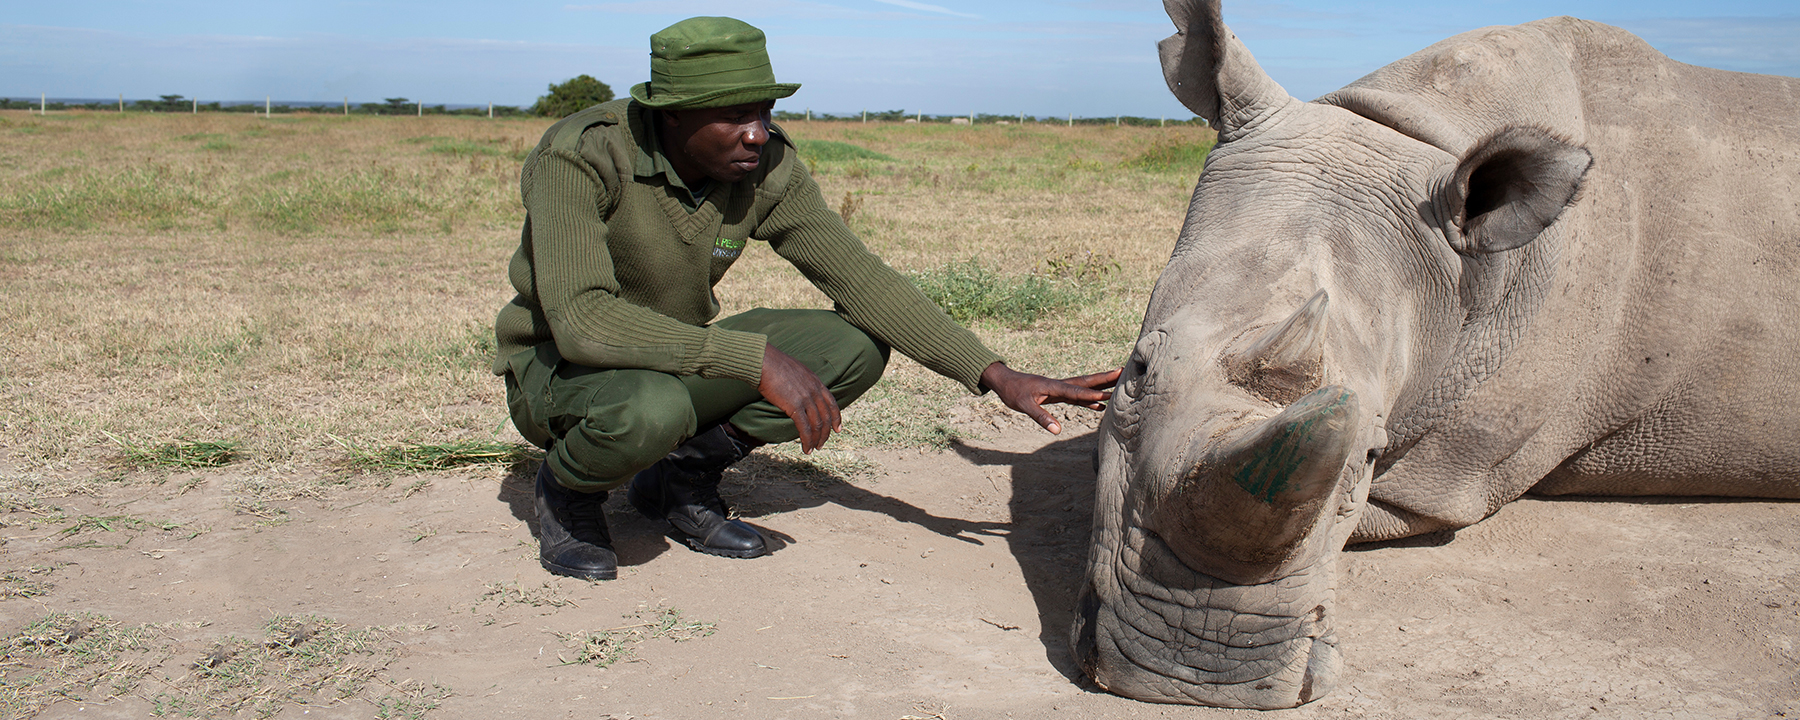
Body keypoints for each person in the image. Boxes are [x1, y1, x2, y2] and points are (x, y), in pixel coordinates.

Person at [494, 16, 1120, 580]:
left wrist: (993, 373)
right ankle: (568, 491)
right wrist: (754, 359)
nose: (757, 134)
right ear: (673, 114)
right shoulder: (581, 155)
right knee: (650, 407)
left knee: (852, 346)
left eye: (764, 112)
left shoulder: (765, 168)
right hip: (562, 370)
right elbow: (583, 322)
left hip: (670, 358)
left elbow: (860, 278)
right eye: (736, 116)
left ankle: (677, 479)